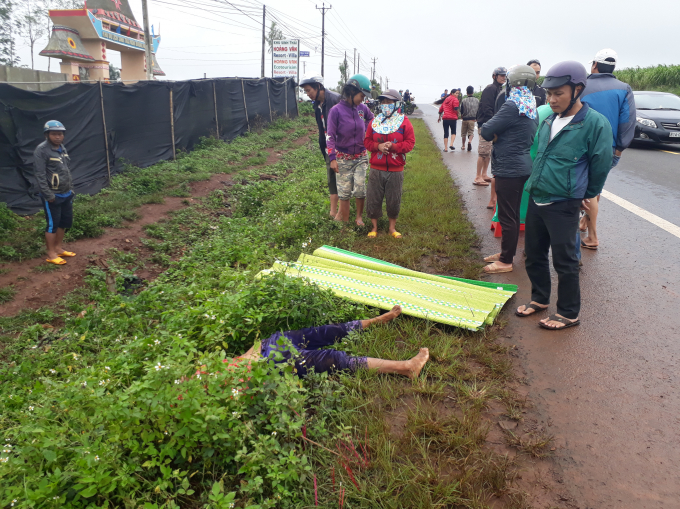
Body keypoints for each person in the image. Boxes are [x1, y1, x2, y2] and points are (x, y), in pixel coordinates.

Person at [517, 61, 613, 330]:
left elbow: (601, 163)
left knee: (565, 260)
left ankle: (569, 313)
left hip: (564, 202)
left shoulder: (595, 124)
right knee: (534, 254)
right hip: (537, 195)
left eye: (558, 93)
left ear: (577, 89)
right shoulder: (548, 120)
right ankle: (539, 298)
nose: (551, 99)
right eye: (549, 93)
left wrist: (588, 192)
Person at [238, 306, 429, 379]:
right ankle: (406, 367)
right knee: (333, 359)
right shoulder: (213, 388)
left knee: (327, 332)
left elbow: (242, 359)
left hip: (268, 344)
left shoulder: (209, 368)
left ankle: (377, 320)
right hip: (270, 362)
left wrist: (256, 348)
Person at [481, 65, 538, 274]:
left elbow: (487, 130)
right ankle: (507, 253)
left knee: (508, 216)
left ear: (512, 83)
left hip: (509, 168)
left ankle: (505, 261)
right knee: (512, 214)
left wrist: (497, 134)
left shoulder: (513, 105)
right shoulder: (531, 104)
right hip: (522, 165)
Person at [578, 48, 636, 250]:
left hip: (583, 147)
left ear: (594, 65)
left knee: (589, 190)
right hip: (610, 149)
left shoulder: (582, 86)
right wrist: (619, 148)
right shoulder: (624, 88)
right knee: (596, 186)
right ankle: (586, 221)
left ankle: (592, 236)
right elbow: (627, 121)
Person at [364, 89, 416, 239]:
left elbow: (410, 143)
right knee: (374, 197)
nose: (385, 105)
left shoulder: (403, 121)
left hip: (395, 168)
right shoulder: (375, 122)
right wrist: (377, 146)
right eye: (383, 102)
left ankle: (392, 228)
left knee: (394, 198)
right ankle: (374, 227)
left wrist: (394, 147)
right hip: (376, 167)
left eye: (389, 102)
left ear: (397, 104)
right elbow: (367, 141)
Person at [326, 74, 375, 225]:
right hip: (343, 158)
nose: (363, 99)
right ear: (352, 91)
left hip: (360, 156)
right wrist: (332, 159)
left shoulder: (363, 109)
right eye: (361, 95)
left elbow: (372, 119)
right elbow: (330, 136)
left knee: (360, 188)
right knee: (344, 193)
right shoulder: (336, 111)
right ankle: (345, 224)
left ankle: (358, 217)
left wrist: (366, 132)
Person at [34, 120, 76, 266]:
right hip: (52, 195)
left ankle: (58, 248)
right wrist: (48, 195)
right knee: (52, 224)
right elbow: (39, 174)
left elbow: (66, 170)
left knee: (63, 222)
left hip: (66, 193)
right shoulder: (42, 150)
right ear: (47, 135)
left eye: (60, 134)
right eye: (54, 134)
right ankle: (51, 253)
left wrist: (71, 189)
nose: (58, 136)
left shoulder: (61, 148)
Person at [300, 76, 342, 219]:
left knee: (343, 178)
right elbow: (321, 128)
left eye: (309, 90)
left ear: (318, 86)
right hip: (327, 147)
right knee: (331, 178)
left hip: (342, 147)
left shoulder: (336, 100)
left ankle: (343, 212)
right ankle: (333, 212)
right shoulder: (316, 105)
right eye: (305, 92)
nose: (308, 94)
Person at [476, 67, 507, 200]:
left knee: (489, 152)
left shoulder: (500, 89)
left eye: (505, 76)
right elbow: (487, 107)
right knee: (483, 151)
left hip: (493, 124)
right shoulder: (490, 88)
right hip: (486, 124)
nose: (503, 77)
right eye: (501, 75)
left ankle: (484, 174)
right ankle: (477, 176)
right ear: (494, 76)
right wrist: (493, 122)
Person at [460, 86, 479, 152]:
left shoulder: (464, 100)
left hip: (465, 119)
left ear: (467, 92)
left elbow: (461, 110)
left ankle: (463, 145)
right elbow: (478, 110)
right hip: (472, 119)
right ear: (473, 92)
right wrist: (477, 117)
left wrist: (462, 116)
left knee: (463, 133)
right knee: (471, 132)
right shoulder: (477, 100)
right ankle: (470, 141)